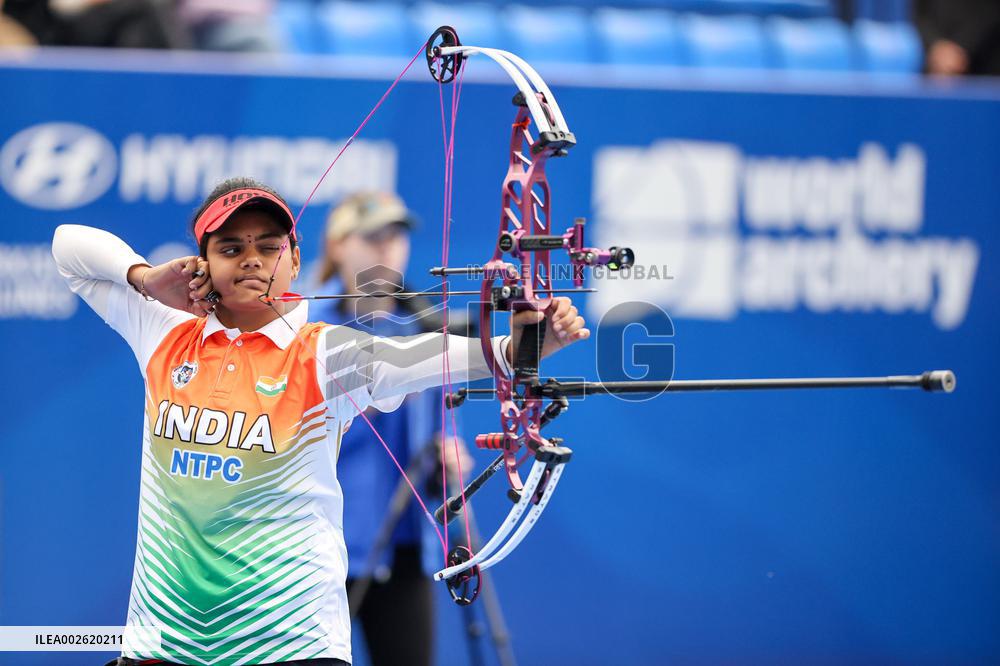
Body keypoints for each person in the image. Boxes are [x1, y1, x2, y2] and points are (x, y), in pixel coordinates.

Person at [52, 176, 588, 666]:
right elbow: (67, 246)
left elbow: (426, 355)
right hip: (163, 646)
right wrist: (146, 278)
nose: (252, 260)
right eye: (230, 248)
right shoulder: (164, 331)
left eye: (270, 246)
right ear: (201, 264)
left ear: (294, 259)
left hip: (293, 644)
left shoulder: (325, 351)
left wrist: (521, 347)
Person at [310, 192, 467, 666]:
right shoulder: (303, 330)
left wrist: (447, 458)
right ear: (337, 245)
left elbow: (439, 428)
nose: (386, 248)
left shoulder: (422, 330)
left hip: (403, 550)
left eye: (395, 236)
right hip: (317, 548)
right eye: (371, 236)